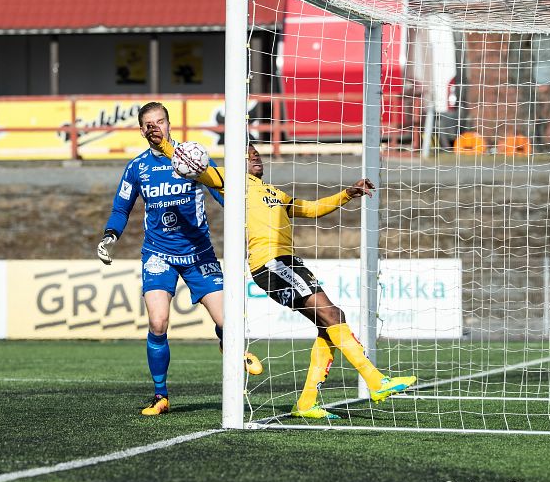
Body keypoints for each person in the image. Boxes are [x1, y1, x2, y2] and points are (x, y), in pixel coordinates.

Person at [147, 134, 416, 420]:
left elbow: (310, 209)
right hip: (270, 264)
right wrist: (164, 143)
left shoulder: (273, 193)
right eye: (249, 154)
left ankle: (307, 403)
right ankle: (375, 381)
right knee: (334, 315)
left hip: (287, 263)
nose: (255, 157)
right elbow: (193, 162)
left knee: (329, 324)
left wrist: (347, 194)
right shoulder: (230, 181)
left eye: (256, 153)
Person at [97, 102, 263, 417]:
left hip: (199, 254)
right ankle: (161, 395)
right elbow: (122, 208)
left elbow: (222, 193)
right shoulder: (137, 167)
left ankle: (228, 343)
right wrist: (110, 235)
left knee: (228, 321)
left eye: (159, 121)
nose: (154, 127)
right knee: (158, 322)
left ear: (169, 124)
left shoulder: (193, 159)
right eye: (148, 123)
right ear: (141, 129)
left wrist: (248, 218)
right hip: (158, 255)